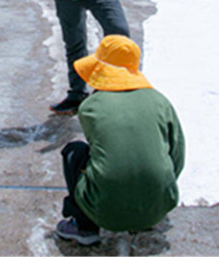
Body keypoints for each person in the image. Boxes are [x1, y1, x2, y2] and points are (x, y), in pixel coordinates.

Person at [55, 35, 185, 246]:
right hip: (157, 207)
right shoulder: (160, 101)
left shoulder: (90, 107)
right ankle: (143, 213)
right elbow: (177, 155)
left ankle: (84, 227)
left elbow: (101, 155)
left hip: (107, 211)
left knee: (74, 152)